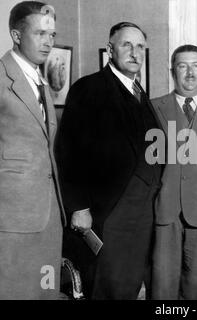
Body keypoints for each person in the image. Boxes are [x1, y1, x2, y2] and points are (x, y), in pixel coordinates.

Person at [56, 22, 162, 299]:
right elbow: (68, 152)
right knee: (107, 288)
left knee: (129, 286)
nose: (135, 52)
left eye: (140, 46)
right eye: (127, 45)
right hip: (111, 211)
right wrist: (78, 207)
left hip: (144, 213)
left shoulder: (139, 91)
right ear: (110, 49)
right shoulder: (89, 88)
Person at [0, 1, 65, 299]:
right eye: (40, 34)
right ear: (16, 35)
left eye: (51, 35)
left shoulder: (40, 79)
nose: (48, 42)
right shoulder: (2, 78)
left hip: (50, 216)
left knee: (45, 290)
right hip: (12, 220)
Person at [151, 45, 197, 299]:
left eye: (195, 66)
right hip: (165, 206)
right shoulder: (153, 108)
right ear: (173, 72)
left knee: (196, 282)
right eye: (183, 66)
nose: (190, 73)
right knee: (163, 280)